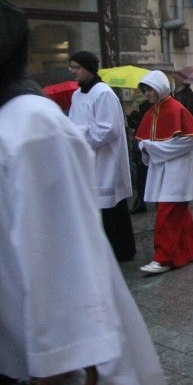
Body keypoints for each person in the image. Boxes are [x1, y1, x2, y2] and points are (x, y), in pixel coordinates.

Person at [0, 0, 187, 385]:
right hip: (24, 340)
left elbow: (58, 242)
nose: (74, 74)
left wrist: (64, 350)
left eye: (78, 68)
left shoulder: (31, 125)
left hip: (65, 365)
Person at [67, 50, 136, 263]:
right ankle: (101, 250)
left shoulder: (103, 93)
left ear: (88, 68)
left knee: (112, 208)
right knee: (95, 208)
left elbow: (109, 129)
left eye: (76, 67)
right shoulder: (77, 95)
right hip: (88, 159)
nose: (73, 71)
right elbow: (72, 121)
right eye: (71, 67)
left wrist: (80, 134)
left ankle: (122, 250)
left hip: (106, 159)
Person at [135, 70, 193, 275]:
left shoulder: (176, 109)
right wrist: (147, 147)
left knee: (168, 212)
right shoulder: (150, 112)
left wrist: (153, 148)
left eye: (150, 90)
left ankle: (163, 258)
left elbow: (188, 142)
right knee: (179, 214)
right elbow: (143, 142)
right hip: (161, 170)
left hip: (176, 171)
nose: (147, 94)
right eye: (145, 91)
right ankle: (185, 252)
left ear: (160, 88)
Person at [172, 71, 193, 189]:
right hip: (179, 128)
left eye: (177, 78)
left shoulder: (189, 94)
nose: (175, 80)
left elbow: (191, 112)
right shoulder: (176, 93)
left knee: (192, 155)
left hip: (188, 128)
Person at [125, 95, 152, 214]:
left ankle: (142, 201)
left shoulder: (152, 104)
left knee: (145, 174)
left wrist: (134, 113)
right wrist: (129, 115)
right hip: (139, 142)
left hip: (148, 143)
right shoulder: (139, 104)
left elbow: (147, 121)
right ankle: (140, 201)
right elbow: (135, 124)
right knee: (141, 175)